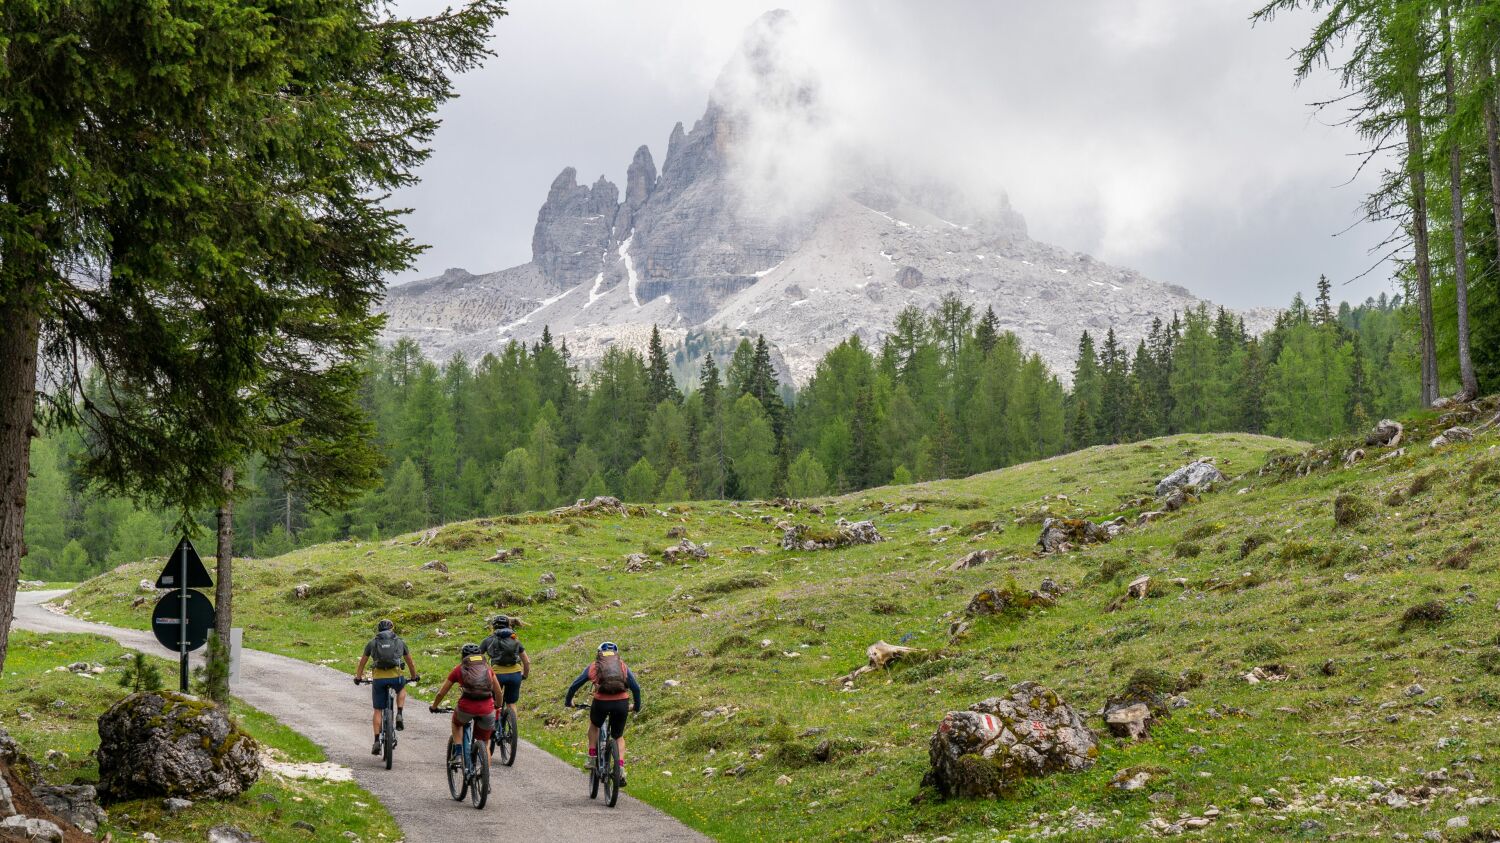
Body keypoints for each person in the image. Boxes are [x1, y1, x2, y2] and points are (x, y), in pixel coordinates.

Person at [563, 641, 641, 787]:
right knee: (618, 736)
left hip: (601, 703)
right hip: (621, 703)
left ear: (599, 653)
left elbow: (575, 685)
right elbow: (636, 688)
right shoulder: (622, 666)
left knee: (594, 725)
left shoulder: (594, 666)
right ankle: (621, 767)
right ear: (616, 654)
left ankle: (592, 756)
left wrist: (569, 701)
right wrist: (636, 706)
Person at [429, 643, 507, 768]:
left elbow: (441, 693)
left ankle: (458, 753)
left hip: (466, 708)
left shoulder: (459, 669)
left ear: (463, 656)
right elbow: (498, 692)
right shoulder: (488, 669)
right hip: (487, 709)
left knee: (456, 723)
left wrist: (434, 706)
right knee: (485, 743)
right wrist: (497, 705)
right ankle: (484, 779)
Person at [355, 619, 419, 755]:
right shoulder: (400, 642)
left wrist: (358, 677)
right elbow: (410, 662)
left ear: (379, 630)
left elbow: (362, 662)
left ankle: (377, 740)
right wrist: (414, 676)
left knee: (378, 710)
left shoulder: (372, 643)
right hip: (396, 677)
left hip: (378, 679)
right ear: (392, 629)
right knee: (401, 689)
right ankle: (400, 714)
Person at [480, 616, 530, 719]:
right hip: (515, 674)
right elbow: (526, 661)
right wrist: (524, 675)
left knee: (494, 702)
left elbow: (478, 657)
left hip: (497, 675)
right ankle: (513, 730)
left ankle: (493, 728)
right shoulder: (515, 639)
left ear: (493, 627)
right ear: (508, 625)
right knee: (511, 703)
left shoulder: (487, 640)